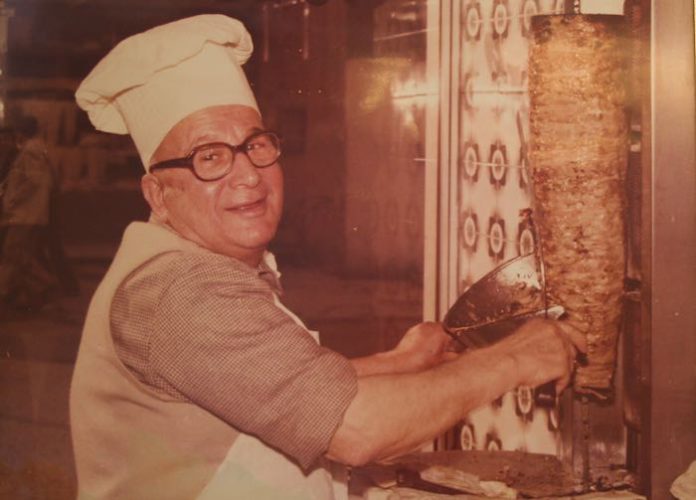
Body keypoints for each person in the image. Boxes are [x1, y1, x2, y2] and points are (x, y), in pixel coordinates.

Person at [70, 14, 585, 500]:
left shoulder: (187, 265)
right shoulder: (181, 292)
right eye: (210, 158)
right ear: (158, 195)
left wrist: (400, 363)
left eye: (255, 146)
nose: (247, 175)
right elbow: (356, 430)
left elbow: (277, 386)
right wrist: (515, 359)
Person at [0, 115, 58, 313]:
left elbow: (33, 180)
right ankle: (43, 289)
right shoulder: (35, 149)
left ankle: (7, 292)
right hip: (27, 214)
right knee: (21, 256)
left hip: (24, 214)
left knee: (13, 254)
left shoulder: (31, 151)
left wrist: (13, 200)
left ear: (20, 131)